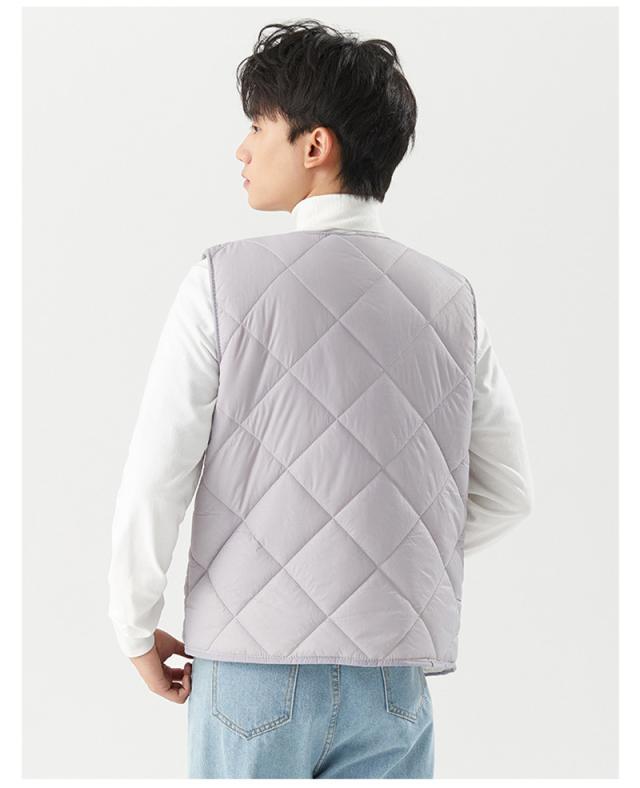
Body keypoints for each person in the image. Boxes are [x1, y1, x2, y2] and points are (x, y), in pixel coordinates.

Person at [107, 19, 534, 779]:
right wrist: (372, 550)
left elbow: (157, 473)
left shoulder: (221, 283)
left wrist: (134, 627)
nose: (241, 150)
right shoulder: (452, 300)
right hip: (393, 680)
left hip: (251, 673)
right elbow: (507, 493)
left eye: (257, 126)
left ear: (315, 145)